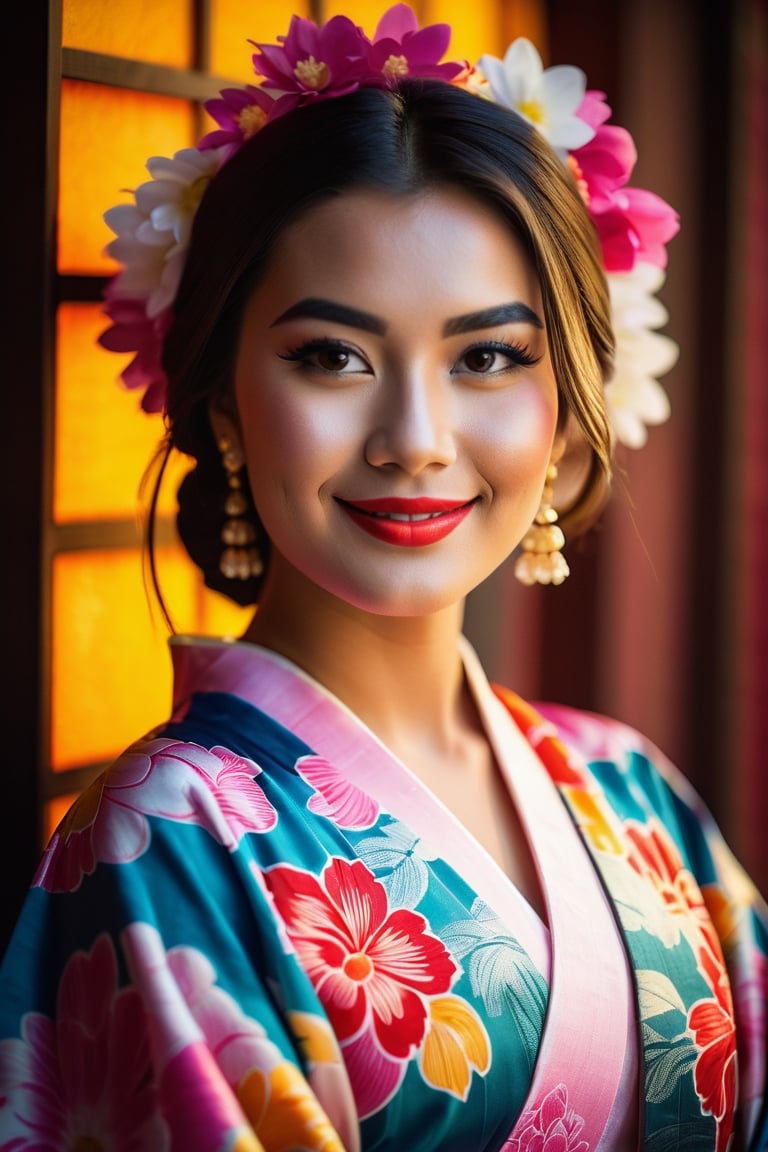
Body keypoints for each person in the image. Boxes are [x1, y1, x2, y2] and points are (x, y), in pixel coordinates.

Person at [1, 6, 766, 1150]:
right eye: (333, 356)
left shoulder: (633, 789)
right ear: (224, 405)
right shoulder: (166, 840)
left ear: (564, 421)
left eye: (489, 358)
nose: (415, 435)